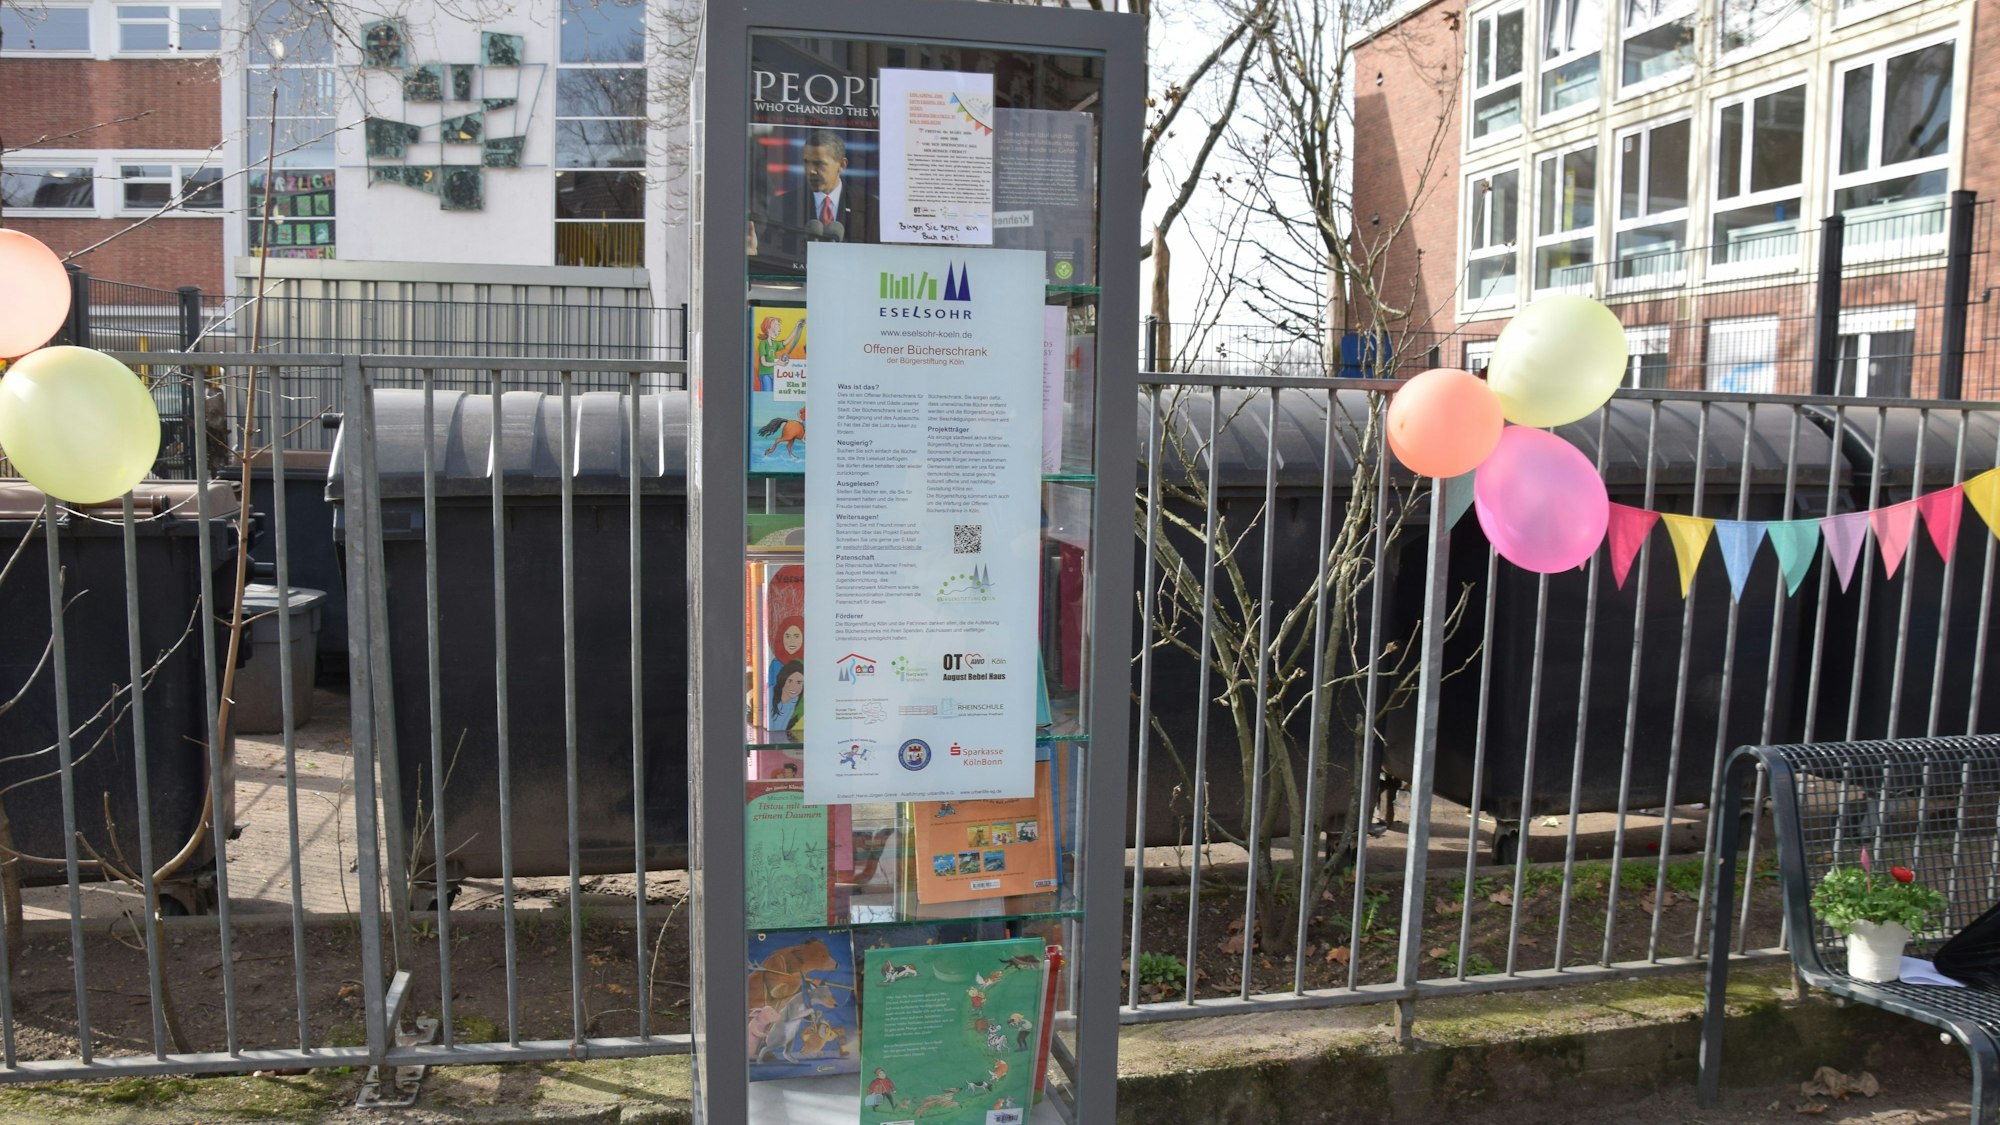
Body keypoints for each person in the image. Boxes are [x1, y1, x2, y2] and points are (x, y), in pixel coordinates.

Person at [797, 129, 877, 245]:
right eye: (806, 162)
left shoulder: (870, 209)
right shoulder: (784, 204)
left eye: (819, 163)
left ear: (841, 165)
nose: (811, 171)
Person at [768, 659, 805, 731]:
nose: (794, 687)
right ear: (783, 680)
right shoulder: (769, 695)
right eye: (790, 681)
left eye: (799, 682)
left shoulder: (797, 703)